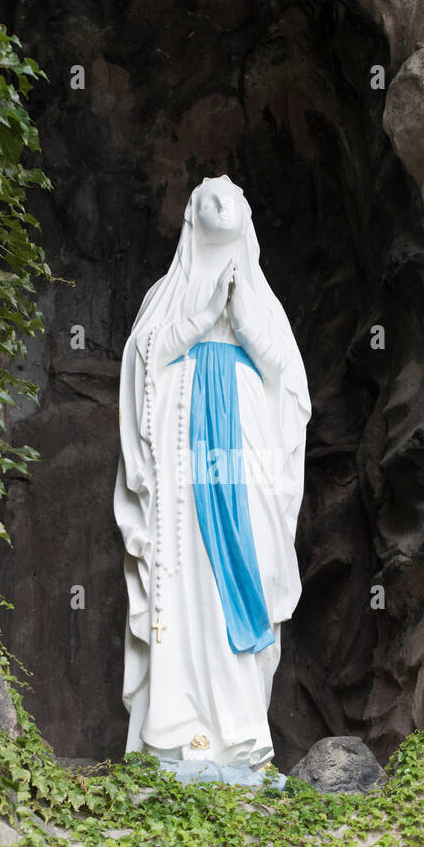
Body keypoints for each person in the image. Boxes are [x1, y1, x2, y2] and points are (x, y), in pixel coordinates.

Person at [114, 175, 310, 772]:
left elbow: (293, 387)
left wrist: (246, 327)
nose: (219, 200)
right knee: (184, 572)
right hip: (180, 462)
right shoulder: (166, 296)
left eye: (231, 196)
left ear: (245, 220)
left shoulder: (263, 302)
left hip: (243, 454)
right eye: (207, 195)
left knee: (243, 569)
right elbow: (141, 364)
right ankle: (179, 733)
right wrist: (198, 320)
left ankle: (239, 735)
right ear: (190, 218)